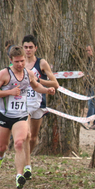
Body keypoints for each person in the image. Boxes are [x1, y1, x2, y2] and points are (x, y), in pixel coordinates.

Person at [0, 46, 55, 189]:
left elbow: (36, 86)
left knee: (19, 143)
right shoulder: (4, 74)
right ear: (11, 60)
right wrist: (10, 92)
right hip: (5, 115)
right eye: (16, 62)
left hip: (21, 115)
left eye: (22, 61)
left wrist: (47, 90)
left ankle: (19, 176)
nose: (20, 64)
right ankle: (0, 156)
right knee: (2, 146)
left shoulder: (29, 74)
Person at [21, 35, 59, 178]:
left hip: (38, 102)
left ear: (36, 48)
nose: (28, 50)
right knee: (27, 134)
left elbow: (55, 84)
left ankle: (25, 160)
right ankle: (27, 165)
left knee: (33, 138)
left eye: (31, 47)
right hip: (23, 104)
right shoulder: (19, 63)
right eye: (26, 47)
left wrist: (39, 80)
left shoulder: (42, 63)